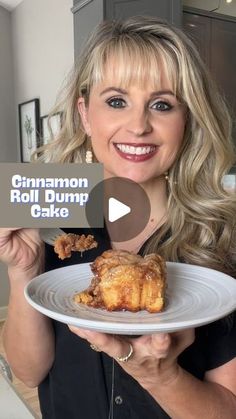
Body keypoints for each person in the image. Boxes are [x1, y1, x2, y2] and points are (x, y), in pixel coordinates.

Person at [1, 15, 236, 419]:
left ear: (188, 122)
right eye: (116, 101)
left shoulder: (221, 238)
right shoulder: (57, 227)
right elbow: (27, 369)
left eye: (162, 105)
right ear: (85, 115)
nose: (138, 125)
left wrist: (162, 376)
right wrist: (24, 270)